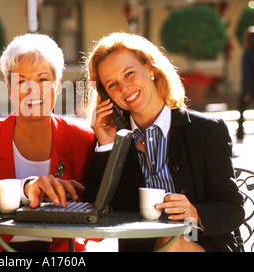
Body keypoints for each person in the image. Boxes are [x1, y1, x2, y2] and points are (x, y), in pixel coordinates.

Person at [83, 32, 244, 252]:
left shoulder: (206, 130)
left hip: (203, 244)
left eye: (129, 73)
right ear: (105, 95)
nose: (124, 88)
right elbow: (95, 213)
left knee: (173, 242)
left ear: (150, 68)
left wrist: (194, 212)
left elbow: (233, 210)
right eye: (111, 85)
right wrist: (107, 146)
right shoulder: (115, 141)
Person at [0, 33, 95, 252]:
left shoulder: (83, 139)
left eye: (43, 79)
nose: (33, 91)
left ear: (58, 85)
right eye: (21, 81)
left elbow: (97, 232)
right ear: (9, 89)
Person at [236, 26, 254, 141]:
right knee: (242, 110)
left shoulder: (247, 54)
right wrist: (247, 91)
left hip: (249, 87)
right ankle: (240, 133)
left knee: (242, 110)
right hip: (249, 87)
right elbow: (246, 74)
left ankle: (240, 133)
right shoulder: (247, 54)